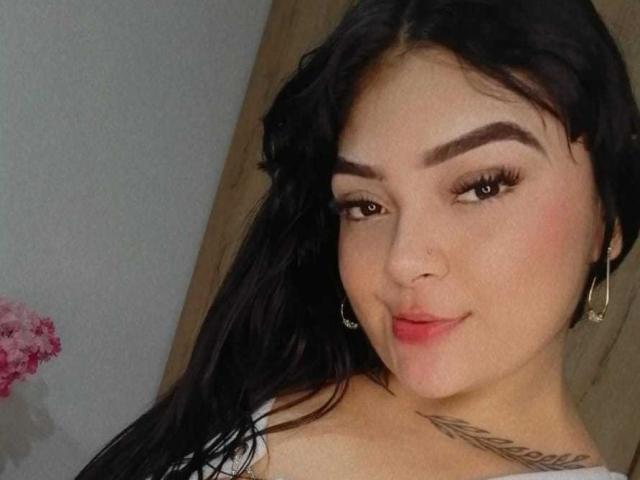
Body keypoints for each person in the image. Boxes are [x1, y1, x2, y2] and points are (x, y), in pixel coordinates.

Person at [76, 0, 640, 479]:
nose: (403, 260)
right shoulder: (277, 376)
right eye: (365, 205)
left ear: (607, 219)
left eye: (482, 186)